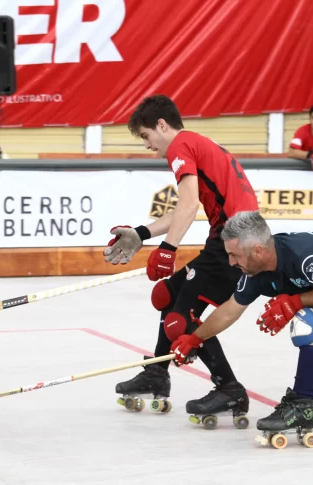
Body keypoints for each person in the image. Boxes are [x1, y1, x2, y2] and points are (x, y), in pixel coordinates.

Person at [170, 211, 313, 443]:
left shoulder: (302, 255)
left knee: (309, 323)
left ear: (258, 251)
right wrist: (194, 339)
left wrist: (295, 302)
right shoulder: (254, 270)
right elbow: (230, 309)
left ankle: (301, 406)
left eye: (234, 255)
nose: (231, 262)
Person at [104, 95, 258, 423]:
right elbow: (183, 208)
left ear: (162, 125)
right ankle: (157, 373)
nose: (147, 145)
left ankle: (229, 388)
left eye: (146, 136)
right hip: (236, 236)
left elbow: (188, 205)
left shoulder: (179, 146)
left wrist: (168, 250)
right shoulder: (197, 143)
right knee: (169, 295)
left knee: (181, 319)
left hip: (233, 241)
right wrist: (142, 233)